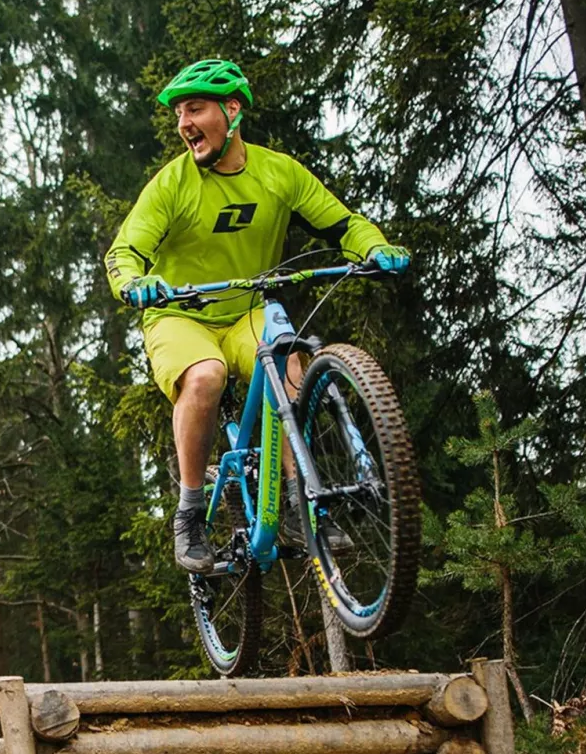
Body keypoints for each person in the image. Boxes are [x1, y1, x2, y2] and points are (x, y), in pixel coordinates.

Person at [104, 58, 411, 572]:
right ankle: (190, 512)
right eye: (179, 112)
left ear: (232, 111)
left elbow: (343, 225)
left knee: (291, 365)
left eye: (195, 108)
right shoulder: (172, 184)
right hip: (180, 316)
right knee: (205, 377)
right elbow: (124, 251)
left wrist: (374, 247)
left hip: (248, 310)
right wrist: (136, 283)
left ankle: (298, 502)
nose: (184, 123)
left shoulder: (279, 173)